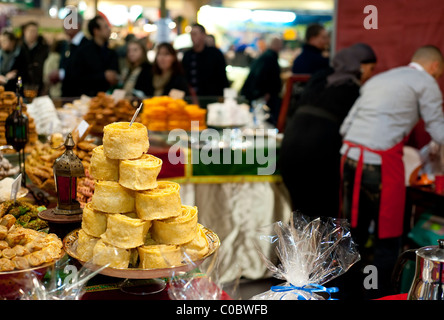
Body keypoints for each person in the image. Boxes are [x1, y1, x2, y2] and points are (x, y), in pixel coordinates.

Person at [339, 45, 444, 299]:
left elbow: (345, 127)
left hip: (349, 158)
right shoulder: (426, 82)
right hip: (380, 163)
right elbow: (439, 131)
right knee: (388, 236)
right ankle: (380, 294)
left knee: (354, 233)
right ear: (434, 67)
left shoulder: (379, 79)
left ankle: (345, 291)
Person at [279, 43, 377, 220]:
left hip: (291, 144)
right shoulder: (353, 89)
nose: (370, 74)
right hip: (320, 150)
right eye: (370, 69)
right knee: (323, 214)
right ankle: (319, 248)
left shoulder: (319, 77)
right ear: (360, 66)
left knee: (300, 211)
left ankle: (300, 248)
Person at [72, 15, 119, 97]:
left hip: (107, 99)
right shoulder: (83, 51)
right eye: (105, 27)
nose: (109, 29)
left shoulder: (111, 51)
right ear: (96, 31)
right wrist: (103, 76)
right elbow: (77, 78)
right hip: (86, 99)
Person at [241, 37, 283, 125]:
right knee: (262, 119)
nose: (280, 46)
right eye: (278, 44)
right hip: (260, 97)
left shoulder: (267, 56)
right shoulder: (269, 57)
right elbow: (265, 77)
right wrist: (266, 92)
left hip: (258, 95)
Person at [48, 10, 89, 97]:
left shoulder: (87, 46)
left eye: (68, 22)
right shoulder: (66, 44)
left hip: (80, 97)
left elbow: (86, 73)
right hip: (66, 96)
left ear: (78, 25)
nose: (64, 26)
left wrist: (61, 74)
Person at [181, 23, 229, 97]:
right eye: (191, 34)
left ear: (203, 35)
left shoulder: (215, 54)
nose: (192, 37)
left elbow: (223, 78)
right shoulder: (187, 55)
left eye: (195, 34)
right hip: (192, 98)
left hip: (212, 98)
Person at [12, 21, 49, 96]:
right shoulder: (17, 47)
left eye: (35, 31)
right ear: (25, 31)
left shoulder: (43, 48)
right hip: (20, 84)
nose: (33, 33)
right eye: (31, 31)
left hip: (37, 86)